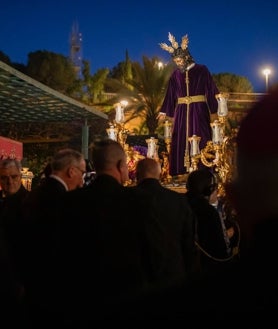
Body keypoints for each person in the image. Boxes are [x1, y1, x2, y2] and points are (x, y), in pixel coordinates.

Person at [57, 139, 186, 325]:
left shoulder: (69, 202)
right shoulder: (139, 202)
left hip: (82, 300)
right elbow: (156, 252)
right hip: (130, 298)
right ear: (120, 166)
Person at [20, 148, 86, 328]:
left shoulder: (34, 194)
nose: (82, 181)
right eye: (82, 173)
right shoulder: (64, 200)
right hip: (55, 286)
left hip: (29, 282)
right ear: (71, 171)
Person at [159, 32, 219, 177]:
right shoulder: (175, 75)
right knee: (179, 136)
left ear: (186, 57)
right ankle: (180, 171)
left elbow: (211, 89)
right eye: (176, 61)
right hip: (181, 111)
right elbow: (170, 94)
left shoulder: (201, 70)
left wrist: (215, 111)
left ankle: (202, 170)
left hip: (198, 109)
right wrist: (163, 111)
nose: (178, 63)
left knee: (201, 135)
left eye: (180, 60)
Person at [134, 157, 196, 276]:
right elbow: (188, 241)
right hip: (172, 269)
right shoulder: (178, 200)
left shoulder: (127, 198)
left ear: (137, 174)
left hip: (137, 274)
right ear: (160, 174)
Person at [185, 168, 234, 275]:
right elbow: (222, 251)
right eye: (215, 188)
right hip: (206, 270)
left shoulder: (179, 203)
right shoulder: (210, 212)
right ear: (209, 190)